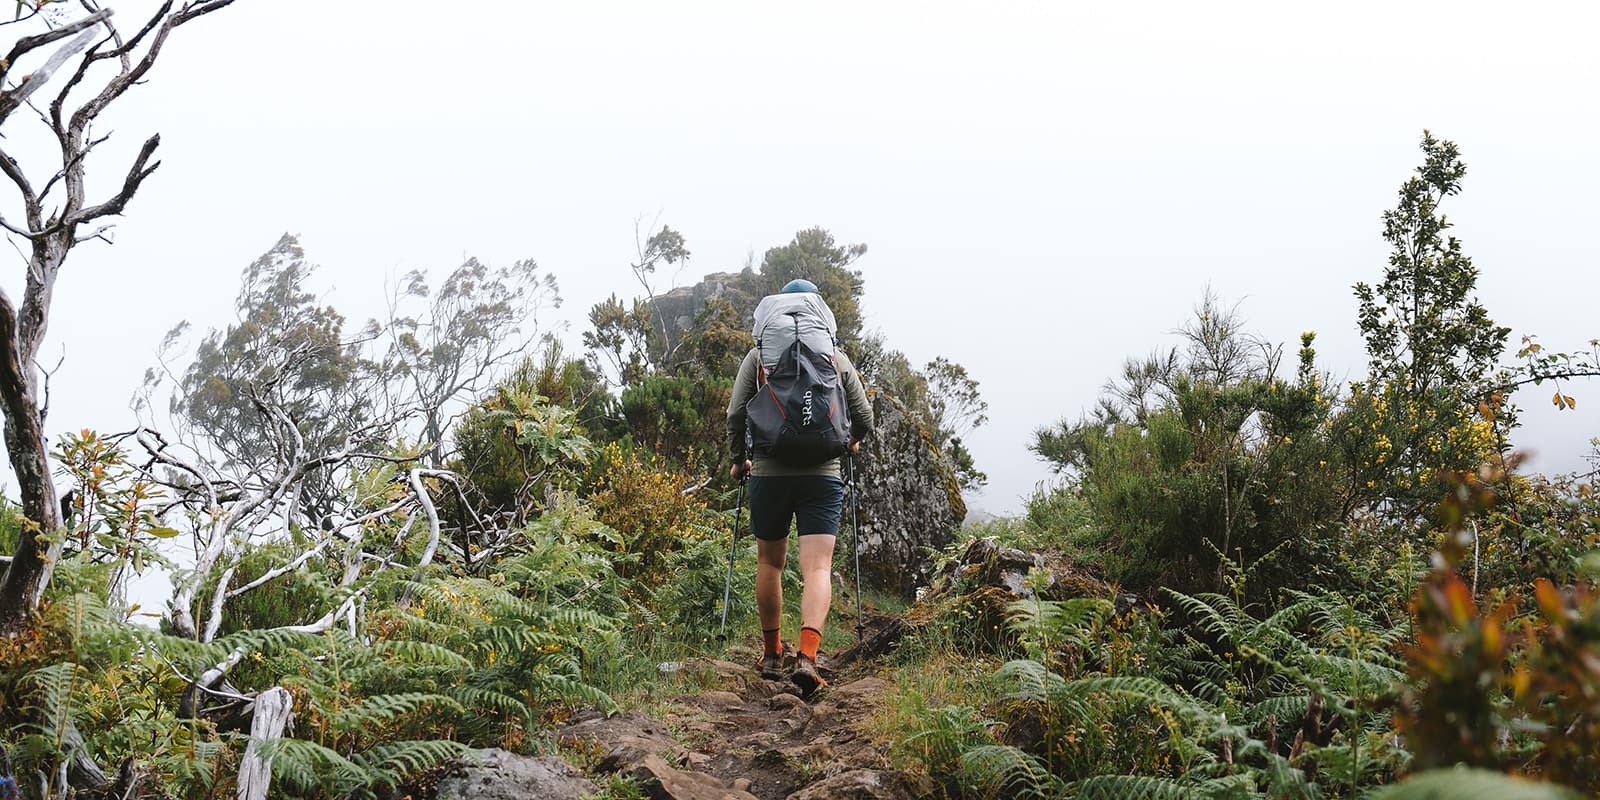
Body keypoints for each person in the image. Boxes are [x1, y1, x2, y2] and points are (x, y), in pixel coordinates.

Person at [726, 278, 873, 696]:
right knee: (818, 568)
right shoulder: (833, 354)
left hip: (770, 471)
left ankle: (772, 655)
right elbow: (864, 413)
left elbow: (736, 413)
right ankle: (808, 657)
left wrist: (739, 462)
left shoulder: (759, 355)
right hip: (822, 472)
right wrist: (852, 440)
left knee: (769, 563)